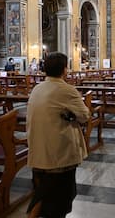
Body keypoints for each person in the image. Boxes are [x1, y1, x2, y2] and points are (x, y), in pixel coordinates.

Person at [26, 52, 90, 218]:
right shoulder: (66, 89)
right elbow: (84, 116)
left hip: (38, 151)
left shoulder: (37, 88)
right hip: (59, 154)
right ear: (64, 69)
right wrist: (72, 115)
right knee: (60, 200)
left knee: (42, 193)